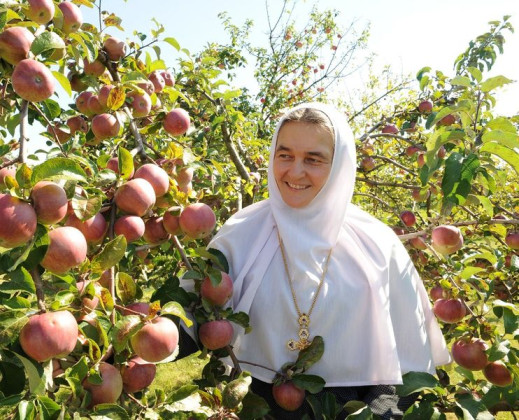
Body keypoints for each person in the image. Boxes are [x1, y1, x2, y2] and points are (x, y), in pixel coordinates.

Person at [181, 102, 451, 419]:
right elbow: (193, 314)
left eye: (313, 159)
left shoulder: (378, 245)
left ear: (339, 165)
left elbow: (405, 364)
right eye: (285, 155)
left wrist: (378, 415)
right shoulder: (242, 232)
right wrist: (142, 341)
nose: (295, 172)